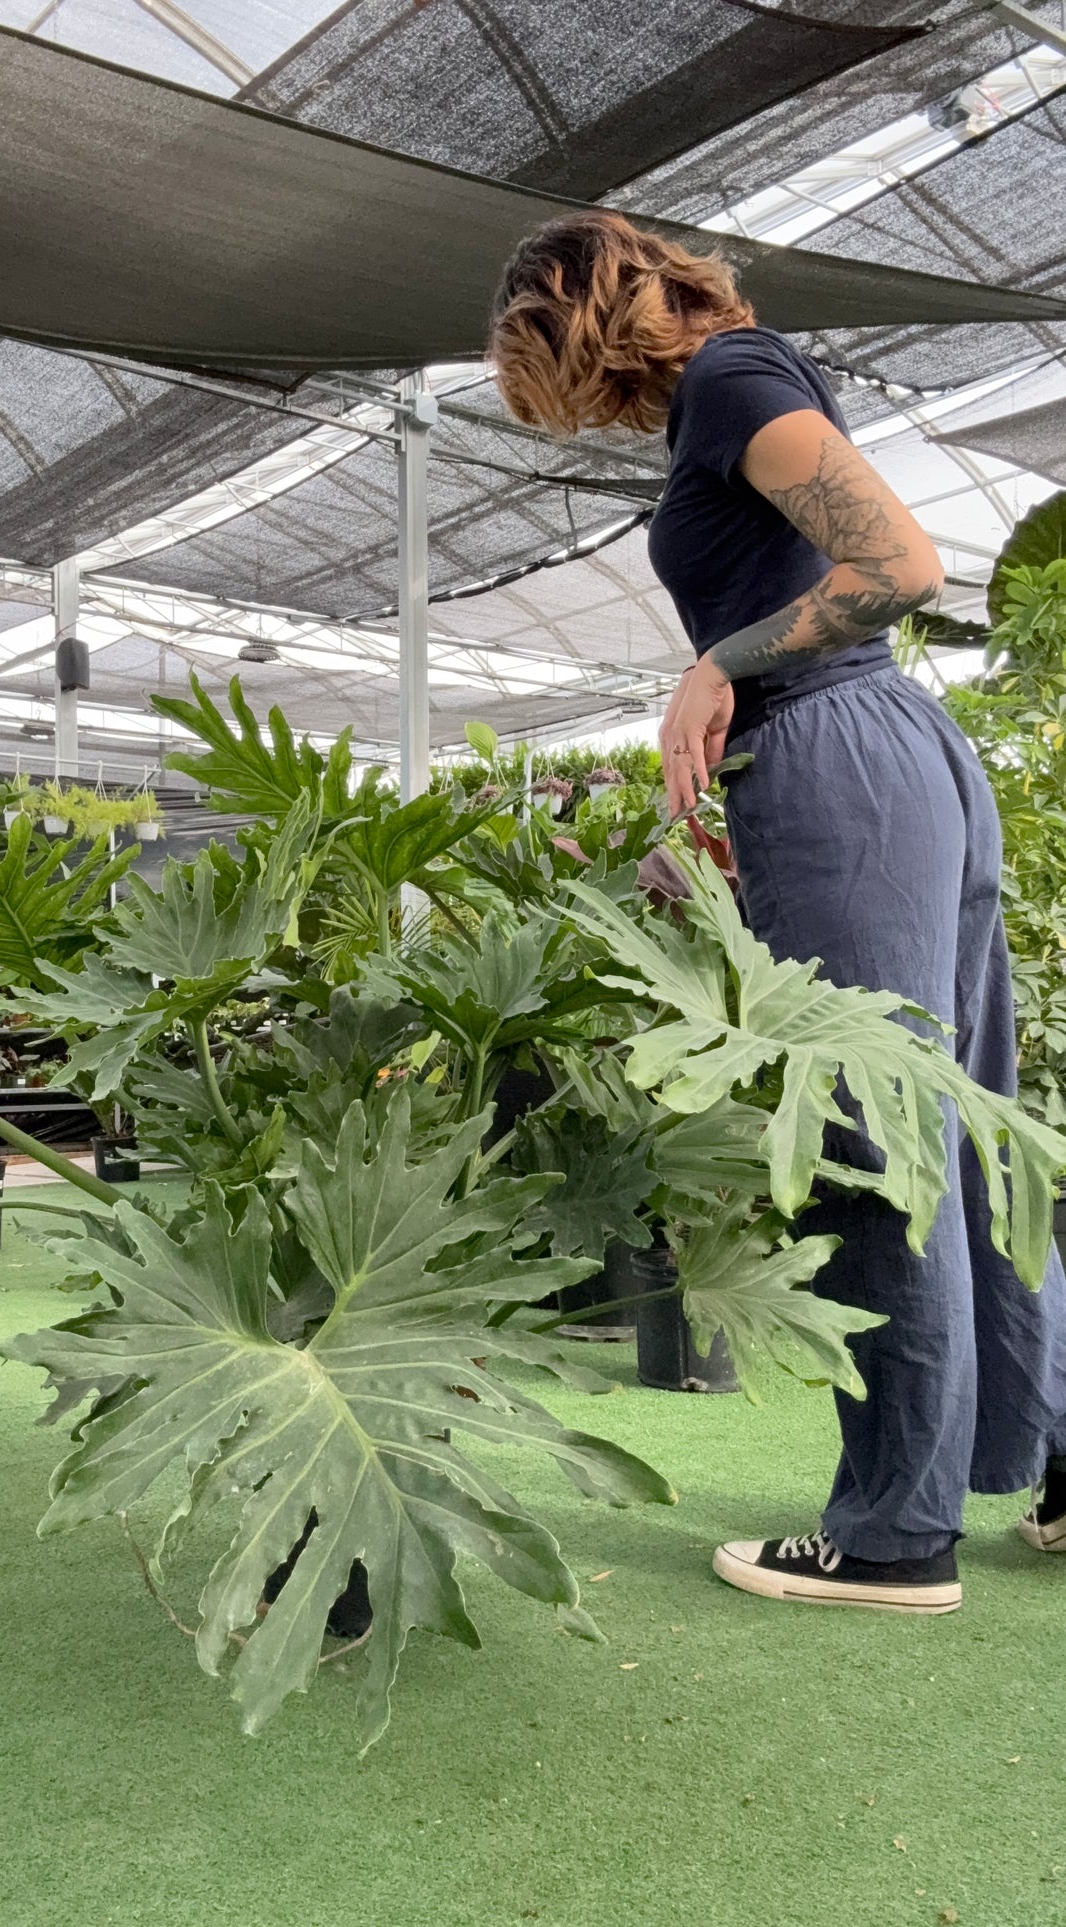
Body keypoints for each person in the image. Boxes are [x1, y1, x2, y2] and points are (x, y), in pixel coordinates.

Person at [489, 209, 1066, 1615]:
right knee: (970, 1123)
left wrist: (717, 668)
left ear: (581, 316)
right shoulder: (753, 377)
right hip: (886, 753)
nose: (586, 413)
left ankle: (892, 1535)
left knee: (876, 1142)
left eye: (553, 368)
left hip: (834, 745)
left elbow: (898, 569)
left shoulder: (733, 384)